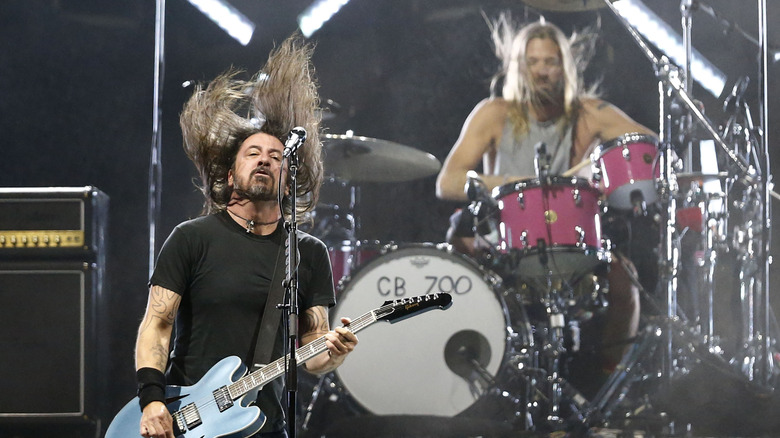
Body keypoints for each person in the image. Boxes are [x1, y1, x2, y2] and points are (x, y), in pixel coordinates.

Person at [134, 34, 358, 438]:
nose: (266, 161)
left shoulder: (307, 252)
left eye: (276, 158)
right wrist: (151, 400)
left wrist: (334, 355)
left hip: (264, 424)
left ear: (288, 182)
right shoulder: (191, 238)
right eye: (252, 153)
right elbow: (158, 323)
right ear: (230, 174)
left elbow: (311, 354)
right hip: (187, 419)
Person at [435, 17, 656, 373]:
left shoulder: (589, 112)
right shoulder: (493, 113)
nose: (540, 72)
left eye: (550, 62)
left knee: (625, 281)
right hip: (501, 245)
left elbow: (647, 148)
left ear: (564, 66)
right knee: (459, 246)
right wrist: (516, 181)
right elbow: (447, 182)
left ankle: (604, 386)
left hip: (572, 242)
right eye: (531, 62)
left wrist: (600, 172)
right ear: (517, 68)